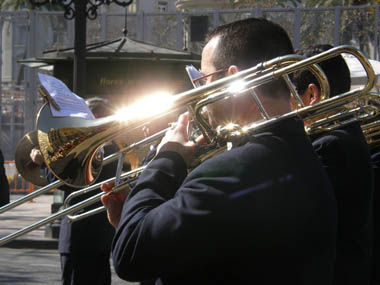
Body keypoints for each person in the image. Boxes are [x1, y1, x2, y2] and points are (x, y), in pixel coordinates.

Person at [101, 18, 337, 284]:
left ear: (232, 78)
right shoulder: (298, 149)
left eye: (202, 80)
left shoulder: (236, 170)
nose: (199, 94)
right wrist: (140, 214)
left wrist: (166, 158)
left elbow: (131, 256)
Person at [292, 44, 374, 285]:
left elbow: (299, 222)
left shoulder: (330, 145)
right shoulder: (344, 131)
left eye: (289, 93)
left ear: (312, 95)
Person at [30, 97, 122, 285]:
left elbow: (67, 182)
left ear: (94, 117)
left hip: (80, 237)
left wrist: (43, 164)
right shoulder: (111, 147)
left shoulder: (95, 150)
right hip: (98, 239)